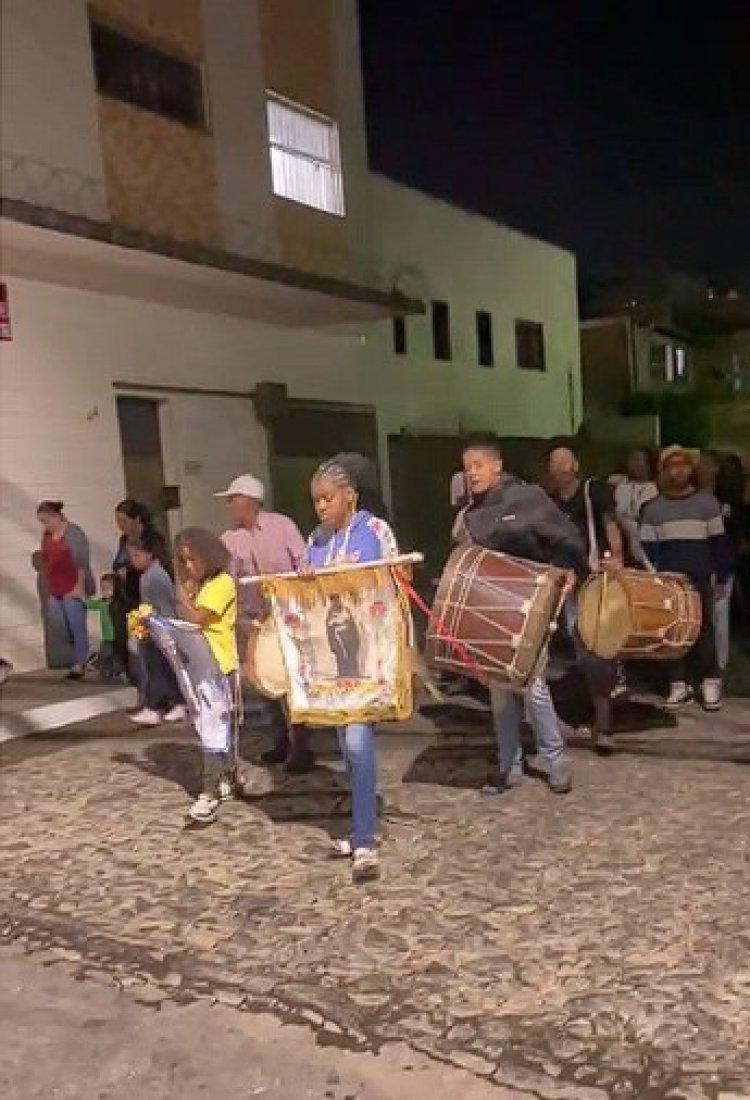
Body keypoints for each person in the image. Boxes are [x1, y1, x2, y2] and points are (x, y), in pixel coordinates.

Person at [457, 435, 585, 793]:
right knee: (500, 690)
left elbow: (566, 538)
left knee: (533, 684)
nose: (472, 474)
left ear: (497, 466)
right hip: (494, 606)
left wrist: (564, 572)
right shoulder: (473, 514)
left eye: (477, 466)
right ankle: (509, 765)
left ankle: (555, 761)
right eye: (467, 469)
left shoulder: (527, 498)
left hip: (533, 600)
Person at [303, 458, 400, 884]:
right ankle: (363, 817)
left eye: (328, 498)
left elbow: (396, 581)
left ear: (349, 495)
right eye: (316, 500)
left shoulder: (374, 531)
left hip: (367, 656)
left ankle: (364, 839)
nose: (322, 507)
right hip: (330, 658)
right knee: (346, 744)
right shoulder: (316, 539)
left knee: (358, 740)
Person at [215, 474, 310, 772]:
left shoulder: (282, 526)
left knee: (293, 680)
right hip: (255, 619)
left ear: (249, 500)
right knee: (266, 683)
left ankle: (301, 745)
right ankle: (280, 739)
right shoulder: (229, 540)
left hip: (289, 615)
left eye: (233, 499)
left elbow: (303, 560)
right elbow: (226, 580)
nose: (229, 505)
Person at [640, 445, 729, 711]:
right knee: (672, 631)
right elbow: (648, 549)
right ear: (664, 471)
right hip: (669, 579)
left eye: (684, 465)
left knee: (704, 628)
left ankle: (710, 681)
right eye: (672, 465)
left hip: (701, 574)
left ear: (692, 470)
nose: (678, 471)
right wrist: (655, 577)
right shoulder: (653, 509)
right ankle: (678, 684)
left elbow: (718, 544)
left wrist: (721, 576)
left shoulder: (707, 503)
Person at [546, 445, 624, 738]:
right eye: (554, 465)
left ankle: (603, 720)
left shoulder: (593, 492)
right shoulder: (549, 502)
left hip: (592, 579)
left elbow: (610, 525)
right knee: (576, 646)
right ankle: (586, 712)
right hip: (563, 580)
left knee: (594, 646)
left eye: (564, 464)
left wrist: (616, 557)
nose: (559, 470)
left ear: (575, 466)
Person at [173, 528, 238, 823]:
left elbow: (197, 617)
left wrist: (180, 593)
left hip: (218, 664)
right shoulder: (199, 585)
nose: (189, 567)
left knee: (214, 726)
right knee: (208, 724)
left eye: (193, 560)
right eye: (184, 561)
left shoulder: (222, 583)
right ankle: (227, 776)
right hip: (199, 663)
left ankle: (210, 789)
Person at [127, 529, 186, 726]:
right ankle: (174, 703)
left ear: (149, 554)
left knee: (158, 670)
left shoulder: (155, 577)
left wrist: (159, 629)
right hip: (152, 629)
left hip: (159, 631)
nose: (133, 560)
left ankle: (156, 706)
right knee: (161, 671)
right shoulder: (148, 576)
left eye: (136, 555)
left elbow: (165, 608)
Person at [112, 500, 170, 683]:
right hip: (128, 594)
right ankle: (132, 673)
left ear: (137, 519)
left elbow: (159, 562)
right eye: (118, 522)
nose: (121, 526)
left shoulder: (152, 539)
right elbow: (119, 561)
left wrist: (130, 568)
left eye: (124, 521)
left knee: (144, 643)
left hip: (145, 595)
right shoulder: (124, 540)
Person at [36, 501, 94, 680]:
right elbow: (46, 558)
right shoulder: (47, 535)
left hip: (72, 585)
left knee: (76, 624)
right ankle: (79, 653)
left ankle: (79, 662)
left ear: (56, 517)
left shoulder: (73, 533)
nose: (45, 525)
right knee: (59, 624)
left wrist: (80, 586)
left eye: (46, 521)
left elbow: (82, 562)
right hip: (55, 587)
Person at [613, 449, 659, 568]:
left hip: (644, 543)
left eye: (640, 460)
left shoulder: (654, 489)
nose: (636, 464)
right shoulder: (620, 486)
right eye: (633, 460)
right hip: (622, 542)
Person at [83, 573, 121, 679]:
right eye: (102, 588)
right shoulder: (102, 603)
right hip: (107, 637)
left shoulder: (119, 604)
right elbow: (90, 604)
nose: (104, 591)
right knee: (104, 655)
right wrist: (83, 598)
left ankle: (116, 671)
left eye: (108, 588)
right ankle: (104, 671)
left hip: (118, 637)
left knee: (116, 656)